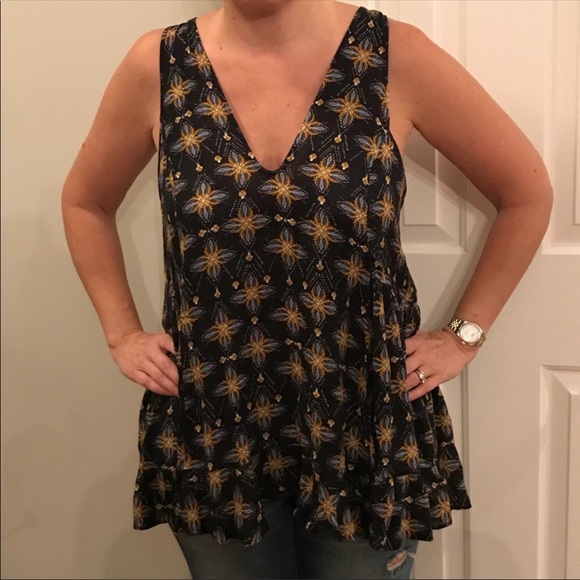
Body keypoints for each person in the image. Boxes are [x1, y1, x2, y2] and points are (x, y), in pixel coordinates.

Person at [61, 1, 553, 578]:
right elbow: (85, 202)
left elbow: (526, 193)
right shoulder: (161, 64)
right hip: (217, 424)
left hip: (361, 424)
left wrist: (463, 335)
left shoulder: (393, 55)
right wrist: (121, 334)